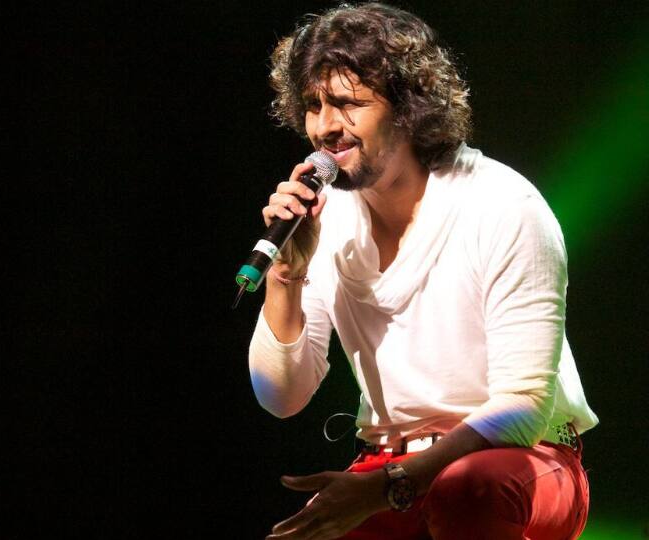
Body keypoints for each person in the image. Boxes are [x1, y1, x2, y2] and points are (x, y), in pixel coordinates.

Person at [247, 4, 598, 539]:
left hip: (522, 458)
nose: (325, 127)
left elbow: (524, 407)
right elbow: (281, 396)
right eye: (314, 106)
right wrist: (286, 275)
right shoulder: (325, 218)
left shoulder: (503, 204)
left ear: (408, 109)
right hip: (389, 459)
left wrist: (389, 486)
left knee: (468, 492)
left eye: (348, 104)